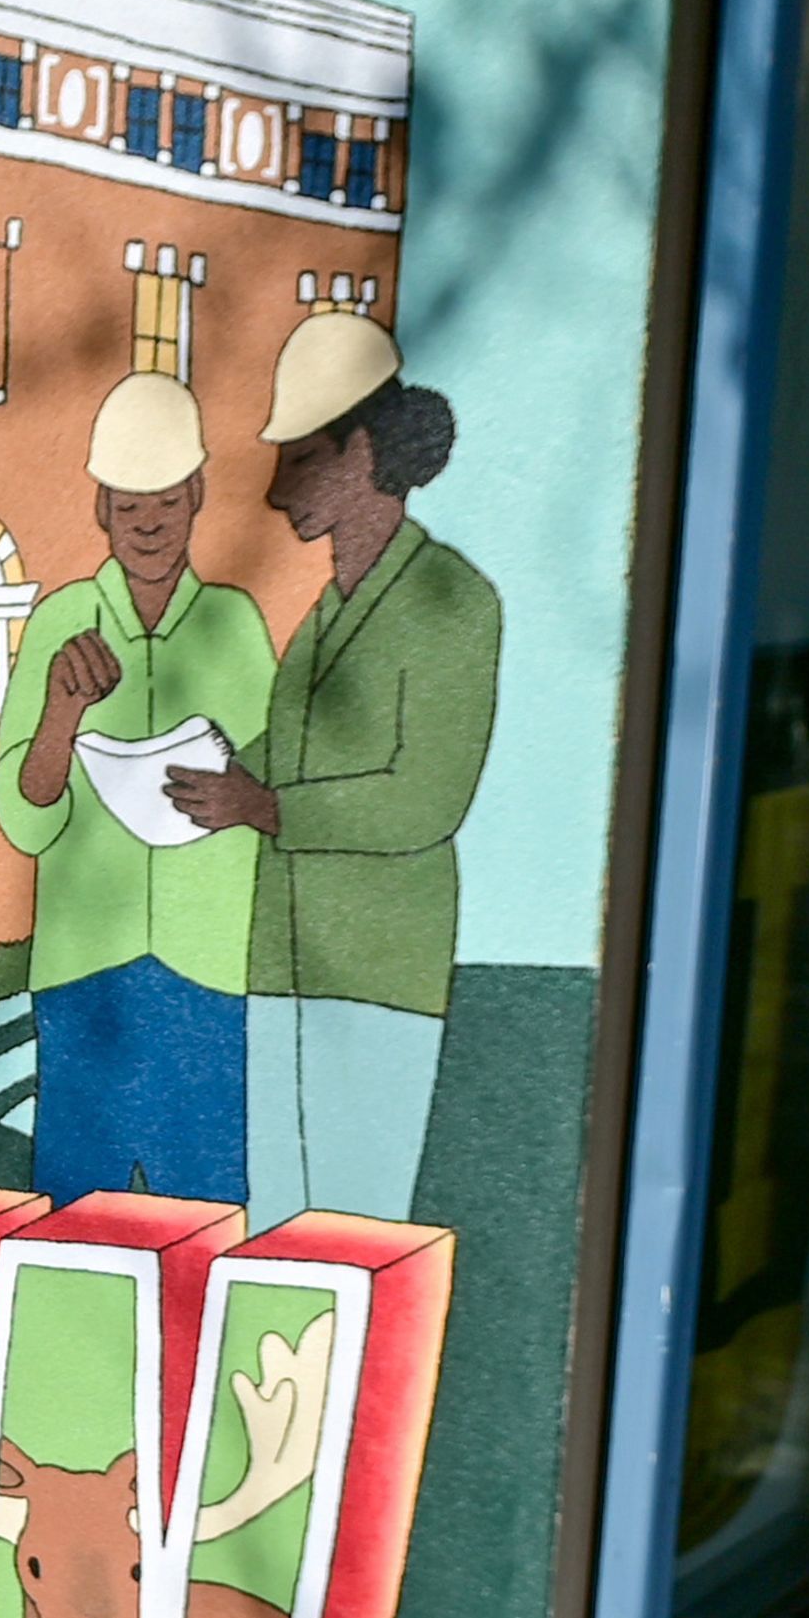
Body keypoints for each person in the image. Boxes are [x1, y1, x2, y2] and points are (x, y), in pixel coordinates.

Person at [168, 310, 503, 1226]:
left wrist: (261, 805)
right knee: (277, 1218)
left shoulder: (449, 600)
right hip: (282, 963)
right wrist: (210, 767)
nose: (279, 494)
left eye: (301, 459)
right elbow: (300, 758)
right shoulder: (325, 612)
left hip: (376, 971)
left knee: (358, 1221)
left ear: (362, 453)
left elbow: (423, 801)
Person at [0, 370, 282, 1202]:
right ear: (100, 510)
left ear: (196, 495)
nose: (148, 523)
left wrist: (243, 799)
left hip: (209, 970)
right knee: (77, 1216)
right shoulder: (61, 622)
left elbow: (273, 792)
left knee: (210, 1209)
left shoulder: (234, 624)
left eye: (164, 501)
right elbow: (25, 817)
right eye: (128, 505)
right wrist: (61, 715)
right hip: (89, 972)